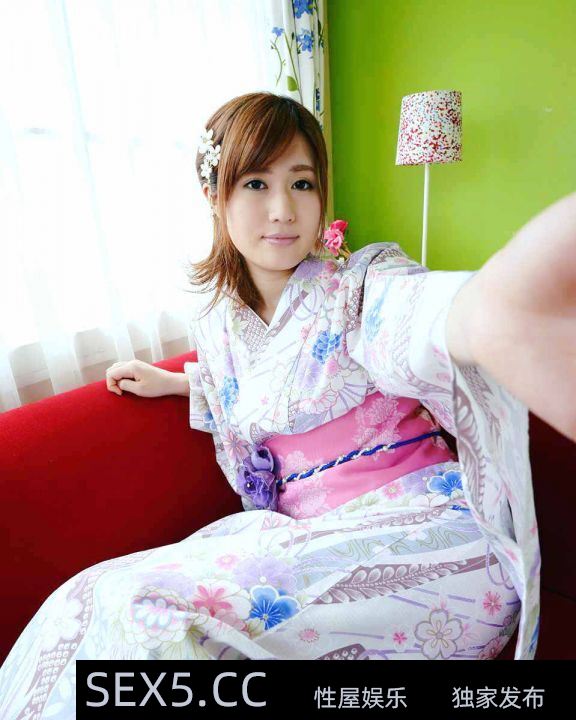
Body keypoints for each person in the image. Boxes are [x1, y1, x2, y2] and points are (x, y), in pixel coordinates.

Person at [5, 88, 572, 716]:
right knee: (91, 598)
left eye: (302, 184)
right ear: (214, 194)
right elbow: (263, 390)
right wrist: (180, 382)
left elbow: (415, 314)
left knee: (146, 615)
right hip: (306, 534)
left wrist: (485, 313)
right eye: (256, 183)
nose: (283, 210)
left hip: (427, 532)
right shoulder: (217, 321)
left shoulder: (360, 284)